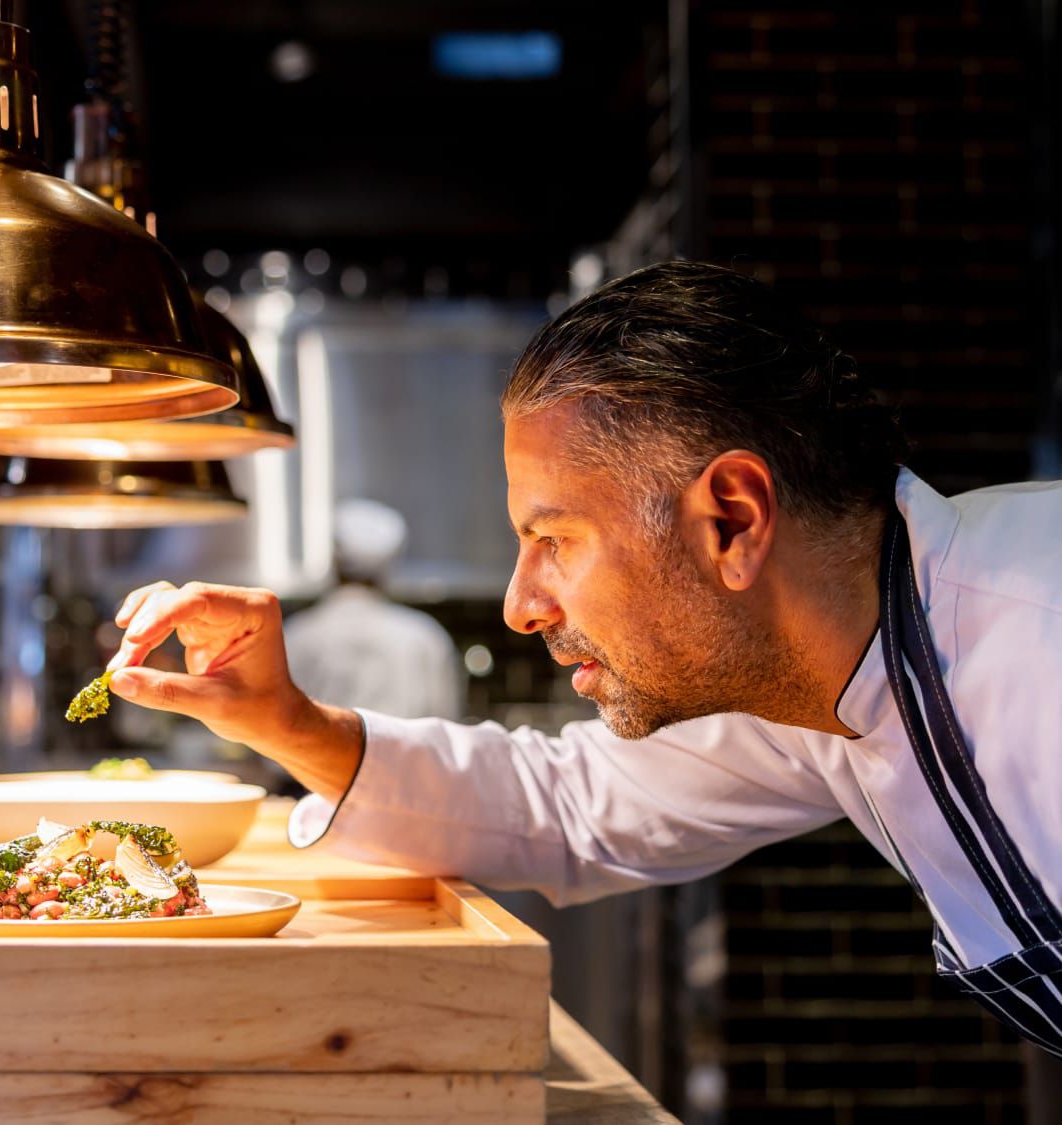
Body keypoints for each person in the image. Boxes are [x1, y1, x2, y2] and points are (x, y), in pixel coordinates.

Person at [103, 261, 1062, 1056]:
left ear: (732, 519)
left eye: (554, 539)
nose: (522, 605)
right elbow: (565, 806)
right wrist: (287, 723)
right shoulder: (817, 688)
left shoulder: (1038, 639)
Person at [282, 498, 465, 720]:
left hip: (306, 756)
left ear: (334, 561)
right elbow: (445, 729)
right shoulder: (425, 637)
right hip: (406, 756)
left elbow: (275, 725)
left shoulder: (296, 636)